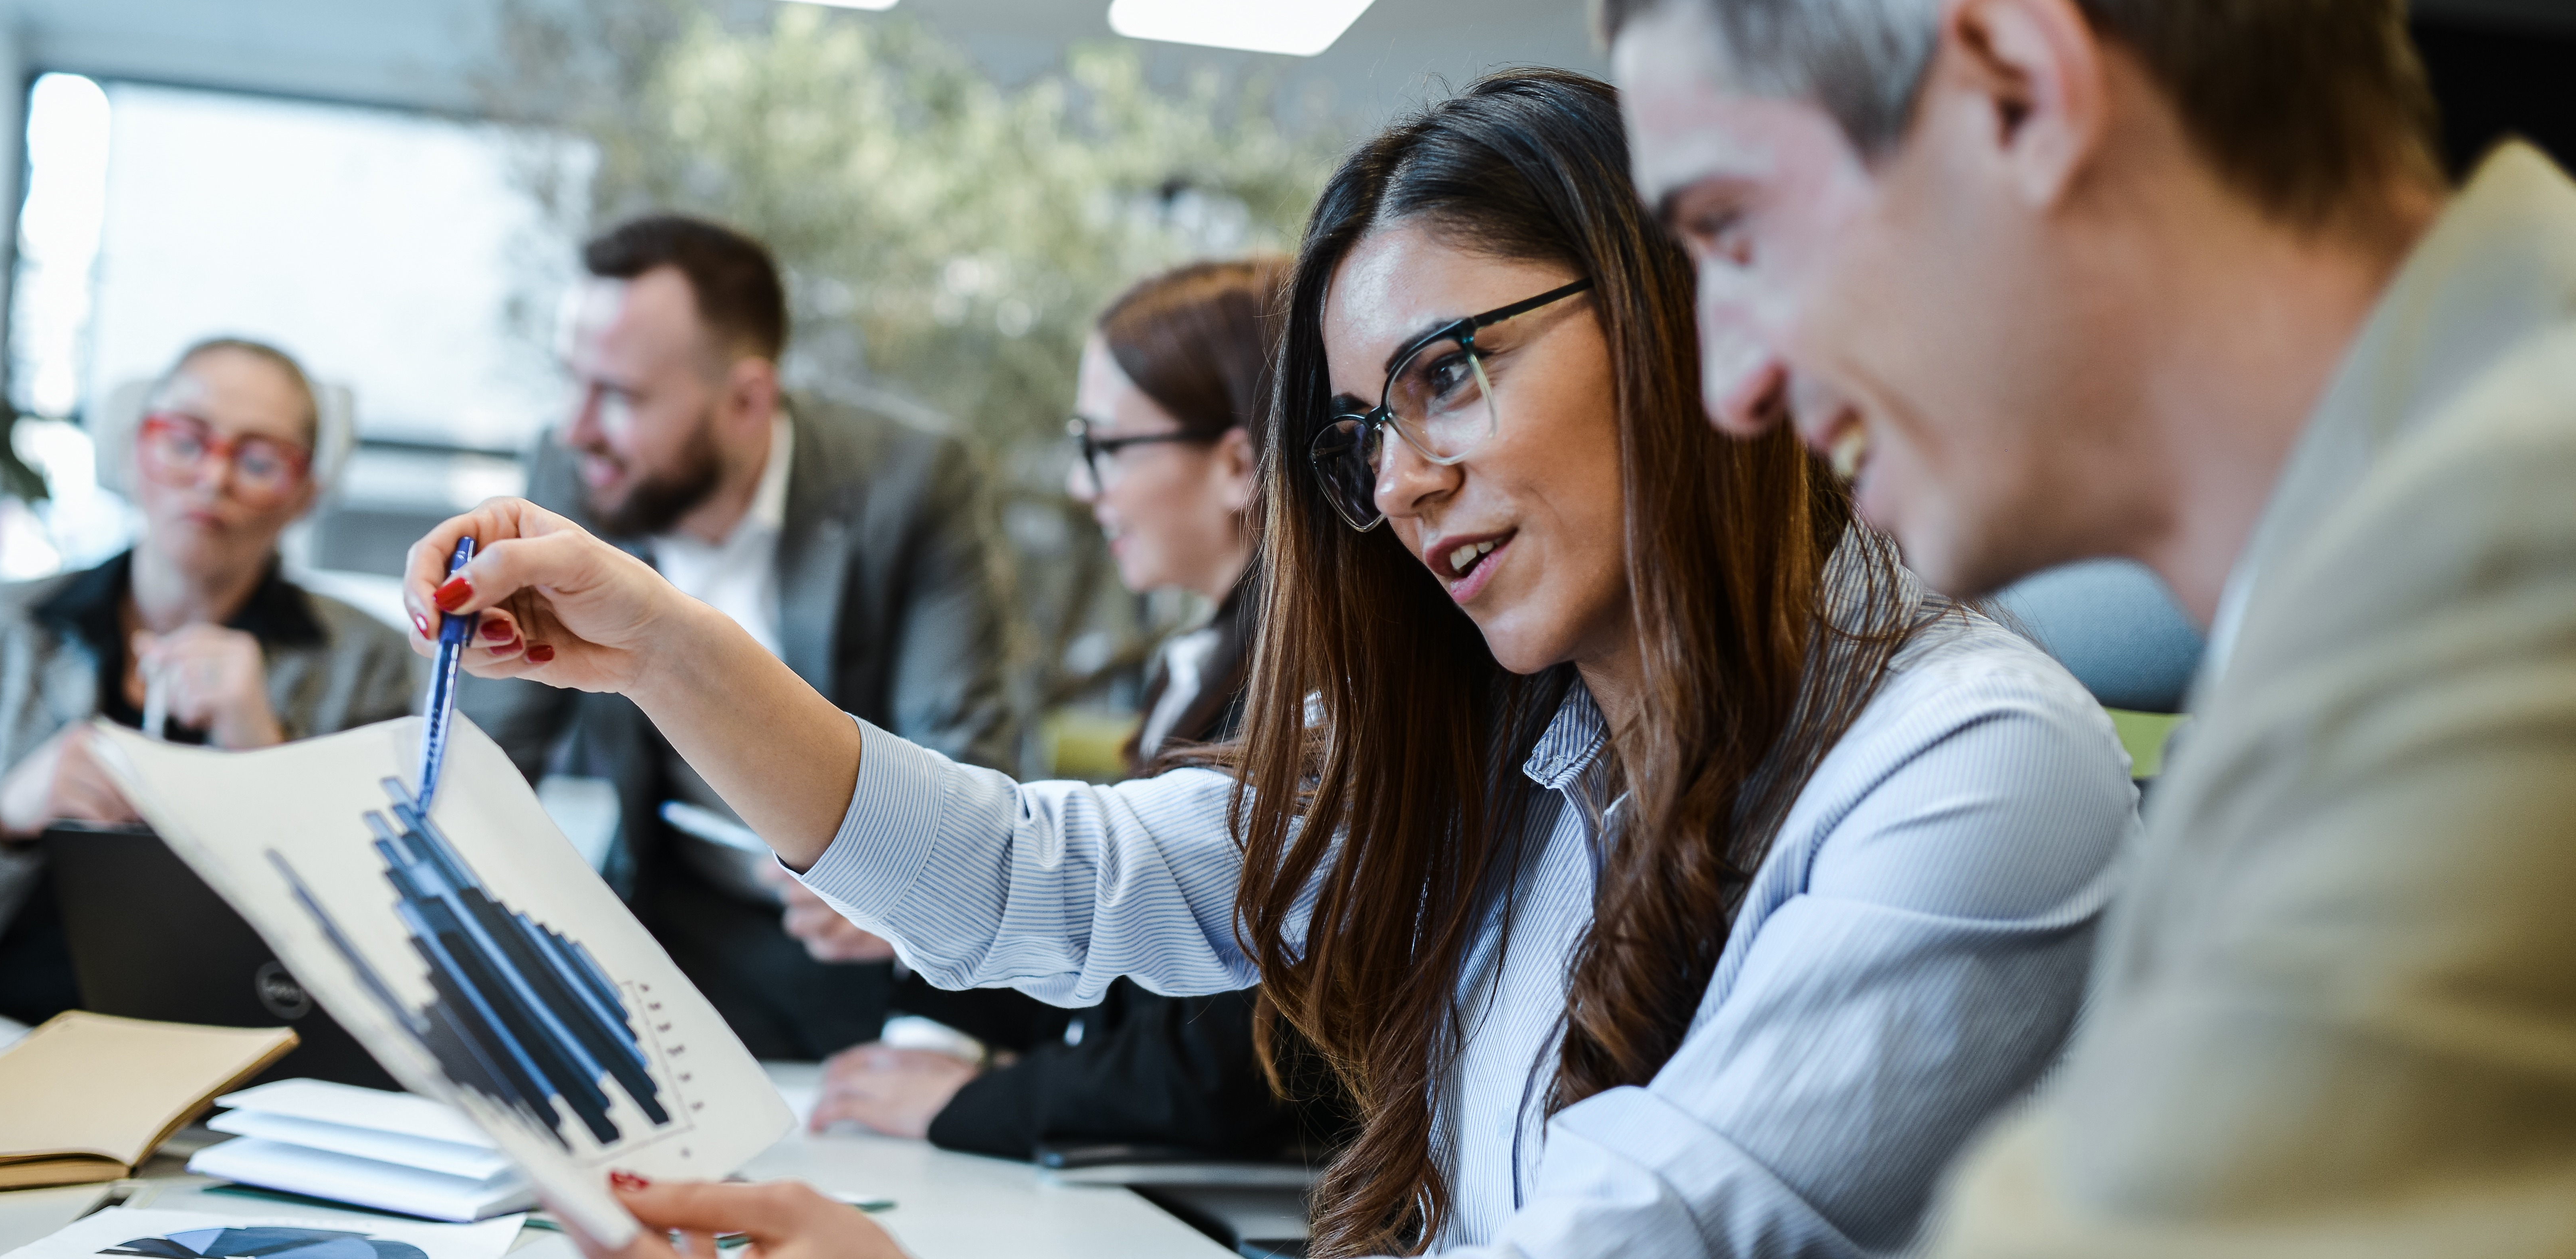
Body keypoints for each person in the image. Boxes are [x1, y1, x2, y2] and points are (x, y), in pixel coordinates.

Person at [411, 71, 2139, 1258]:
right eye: (1361, 431)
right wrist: (662, 650)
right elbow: (1044, 879)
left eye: (1449, 373)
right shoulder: (1506, 738)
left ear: (1685, 313)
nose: (1397, 480)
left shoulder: (1970, 770)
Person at [1599, 0, 2576, 1251]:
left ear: (2019, 91)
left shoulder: (2505, 549)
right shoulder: (2377, 545)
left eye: (1734, 229)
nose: (1734, 388)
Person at [780, 257, 1352, 1164]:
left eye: (1105, 446)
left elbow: (1237, 1058)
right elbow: (1139, 944)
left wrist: (972, 1103)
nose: (1086, 488)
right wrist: (918, 910)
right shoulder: (1212, 665)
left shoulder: (1314, 703)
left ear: (1238, 462)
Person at [482, 214, 1017, 1062]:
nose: (574, 427)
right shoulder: (573, 470)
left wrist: (892, 881)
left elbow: (957, 740)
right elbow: (488, 752)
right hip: (676, 920)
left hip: (863, 937)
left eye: (618, 395)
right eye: (570, 381)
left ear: (746, 399)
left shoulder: (910, 482)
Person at [0, 338, 422, 1024]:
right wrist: (7, 816)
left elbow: (382, 941)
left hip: (224, 1059)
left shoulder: (367, 662)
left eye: (258, 461)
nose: (213, 478)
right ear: (134, 452)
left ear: (305, 494)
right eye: (185, 441)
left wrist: (264, 753)